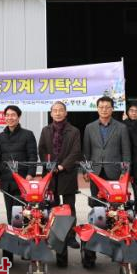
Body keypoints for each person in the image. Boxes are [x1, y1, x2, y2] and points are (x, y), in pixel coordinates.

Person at [38, 101, 83, 261]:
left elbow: (76, 151)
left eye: (60, 110)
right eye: (55, 110)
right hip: (51, 174)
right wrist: (50, 165)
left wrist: (62, 166)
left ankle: (70, 236)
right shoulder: (46, 130)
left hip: (67, 173)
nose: (57, 113)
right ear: (51, 113)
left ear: (66, 113)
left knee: (69, 206)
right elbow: (42, 149)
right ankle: (55, 234)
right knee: (53, 205)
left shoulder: (74, 131)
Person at [0, 104, 37, 261]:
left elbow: (33, 156)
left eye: (13, 115)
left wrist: (30, 174)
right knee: (10, 215)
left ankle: (25, 249)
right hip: (6, 181)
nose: (10, 118)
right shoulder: (0, 136)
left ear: (18, 117)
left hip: (22, 181)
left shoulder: (28, 135)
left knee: (23, 215)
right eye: (7, 115)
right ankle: (12, 249)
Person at [82, 96, 131, 198]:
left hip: (115, 172)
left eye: (107, 107)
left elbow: (126, 152)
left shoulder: (121, 127)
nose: (104, 110)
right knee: (96, 201)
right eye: (101, 107)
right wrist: (85, 170)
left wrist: (125, 172)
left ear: (112, 109)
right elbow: (86, 152)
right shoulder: (89, 127)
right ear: (97, 108)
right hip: (95, 172)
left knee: (114, 202)